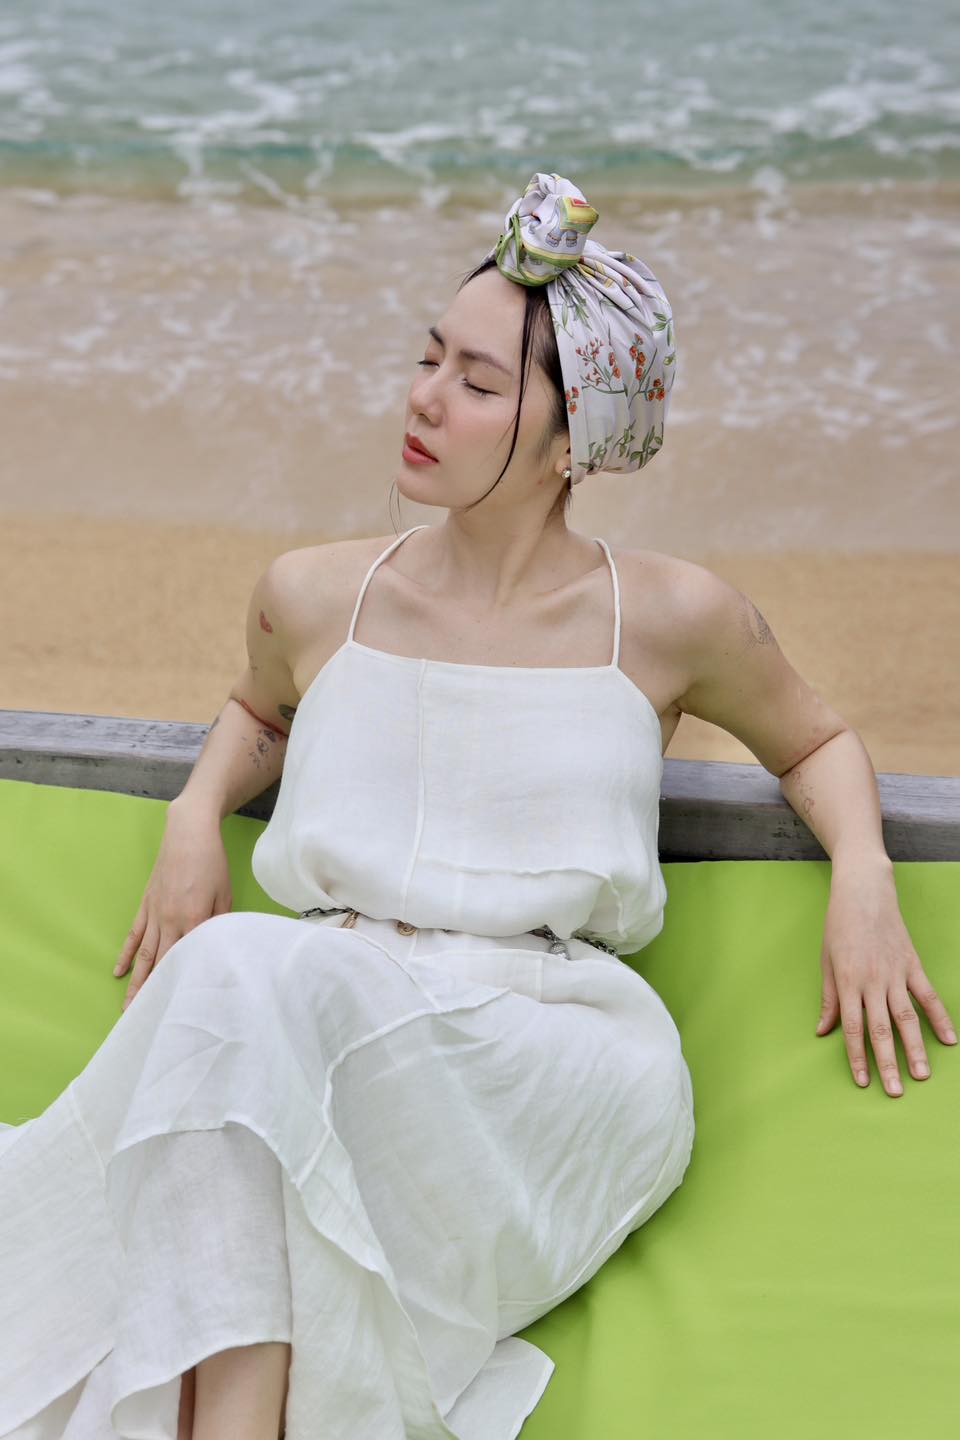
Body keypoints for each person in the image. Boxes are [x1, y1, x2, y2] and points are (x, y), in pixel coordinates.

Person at [1, 173, 952, 1440]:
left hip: (550, 1062)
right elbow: (259, 709)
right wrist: (194, 812)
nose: (425, 398)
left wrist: (864, 874)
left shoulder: (670, 617)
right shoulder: (314, 593)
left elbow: (817, 739)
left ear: (572, 441)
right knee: (245, 1024)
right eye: (428, 358)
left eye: (479, 382)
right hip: (332, 1016)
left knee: (232, 988)